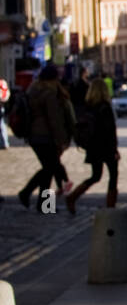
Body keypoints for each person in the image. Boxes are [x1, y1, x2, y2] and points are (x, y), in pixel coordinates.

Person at [16, 66, 74, 209]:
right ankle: (27, 193)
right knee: (50, 168)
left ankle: (45, 205)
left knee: (48, 169)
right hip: (46, 136)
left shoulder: (32, 90)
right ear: (54, 78)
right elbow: (54, 119)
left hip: (33, 135)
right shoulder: (49, 93)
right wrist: (61, 140)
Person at [65, 77, 119, 214]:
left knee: (95, 176)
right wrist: (114, 150)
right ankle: (111, 208)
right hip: (106, 147)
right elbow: (110, 131)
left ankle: (72, 197)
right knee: (113, 176)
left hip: (93, 147)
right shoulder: (105, 108)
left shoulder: (88, 106)